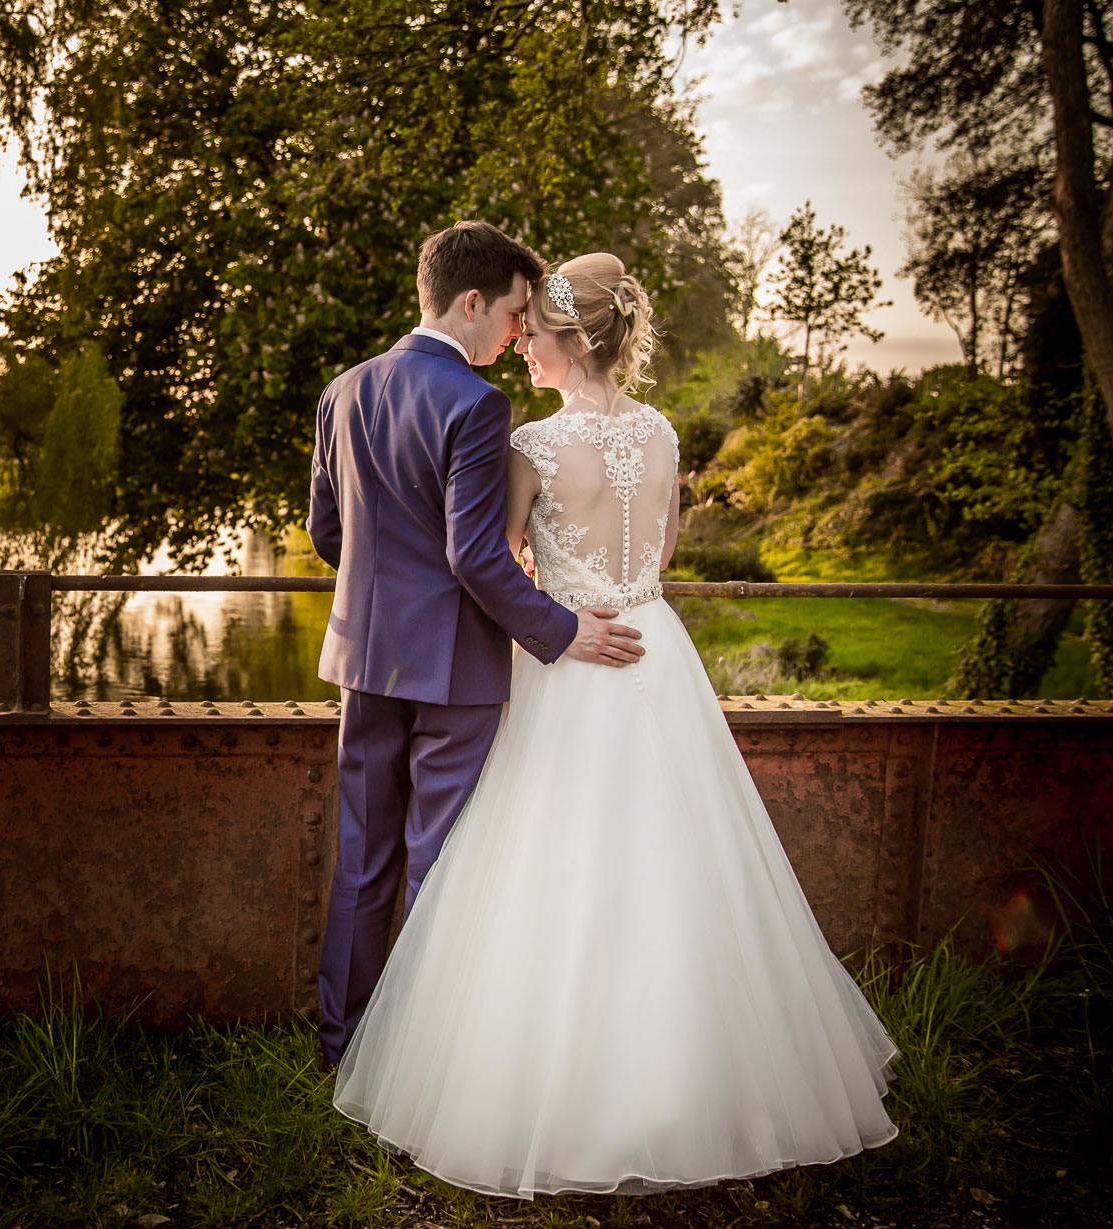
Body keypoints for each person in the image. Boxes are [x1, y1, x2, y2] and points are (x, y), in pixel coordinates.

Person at [328, 251, 900, 1197]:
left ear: (573, 339)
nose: (524, 347)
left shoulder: (531, 445)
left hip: (567, 655)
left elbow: (494, 561)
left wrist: (557, 605)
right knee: (682, 860)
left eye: (537, 334)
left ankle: (491, 1068)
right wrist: (607, 583)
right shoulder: (665, 433)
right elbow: (660, 550)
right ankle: (693, 1076)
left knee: (543, 860)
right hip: (652, 647)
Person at [306, 223, 647, 1072]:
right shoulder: (476, 403)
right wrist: (562, 629)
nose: (516, 333)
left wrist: (385, 595)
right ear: (470, 303)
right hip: (454, 669)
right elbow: (475, 555)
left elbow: (327, 533)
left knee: (362, 860)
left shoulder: (343, 391)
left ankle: (342, 1045)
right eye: (512, 313)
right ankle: (422, 1057)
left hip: (363, 661)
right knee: (440, 861)